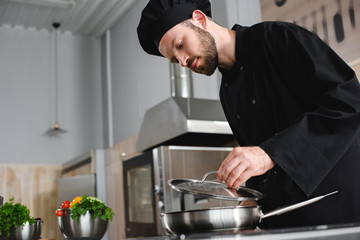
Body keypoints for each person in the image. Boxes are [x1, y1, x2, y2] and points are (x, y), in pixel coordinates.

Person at [137, 0, 360, 229]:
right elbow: (261, 161)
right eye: (175, 60)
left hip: (341, 213)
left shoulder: (277, 37)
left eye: (180, 44)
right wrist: (253, 200)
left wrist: (269, 153)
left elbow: (348, 100)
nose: (182, 60)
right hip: (287, 224)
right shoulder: (227, 93)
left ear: (200, 20)